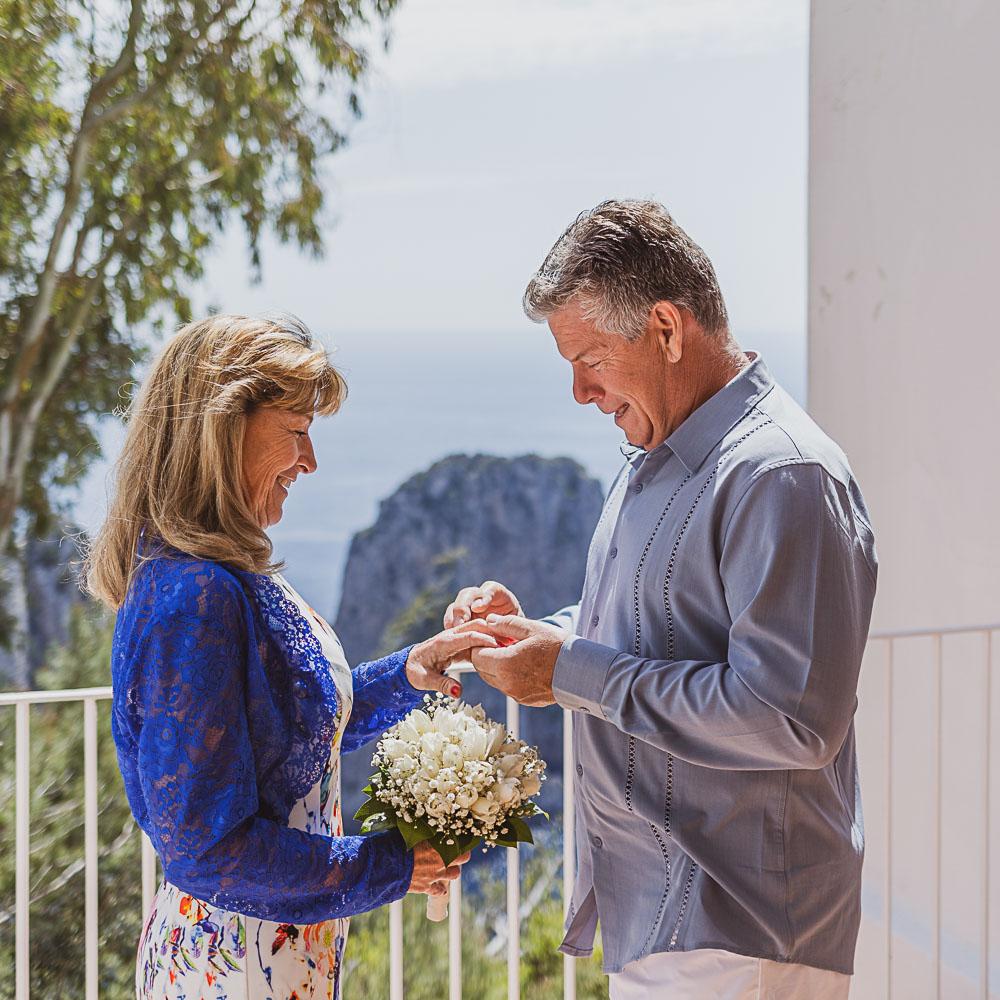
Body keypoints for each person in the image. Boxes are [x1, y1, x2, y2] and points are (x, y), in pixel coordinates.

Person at [446, 200, 877, 999]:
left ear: (668, 330)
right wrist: (538, 637)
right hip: (666, 926)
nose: (579, 391)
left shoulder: (781, 474)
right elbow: (656, 636)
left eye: (591, 358)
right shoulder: (660, 457)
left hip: (743, 934)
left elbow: (789, 716)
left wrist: (569, 673)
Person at [86, 314, 494, 1000]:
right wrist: (395, 864)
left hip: (265, 950)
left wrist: (410, 672)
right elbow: (209, 850)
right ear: (223, 429)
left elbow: (285, 727)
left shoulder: (220, 571)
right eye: (297, 433)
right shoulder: (197, 596)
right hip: (238, 962)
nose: (310, 464)